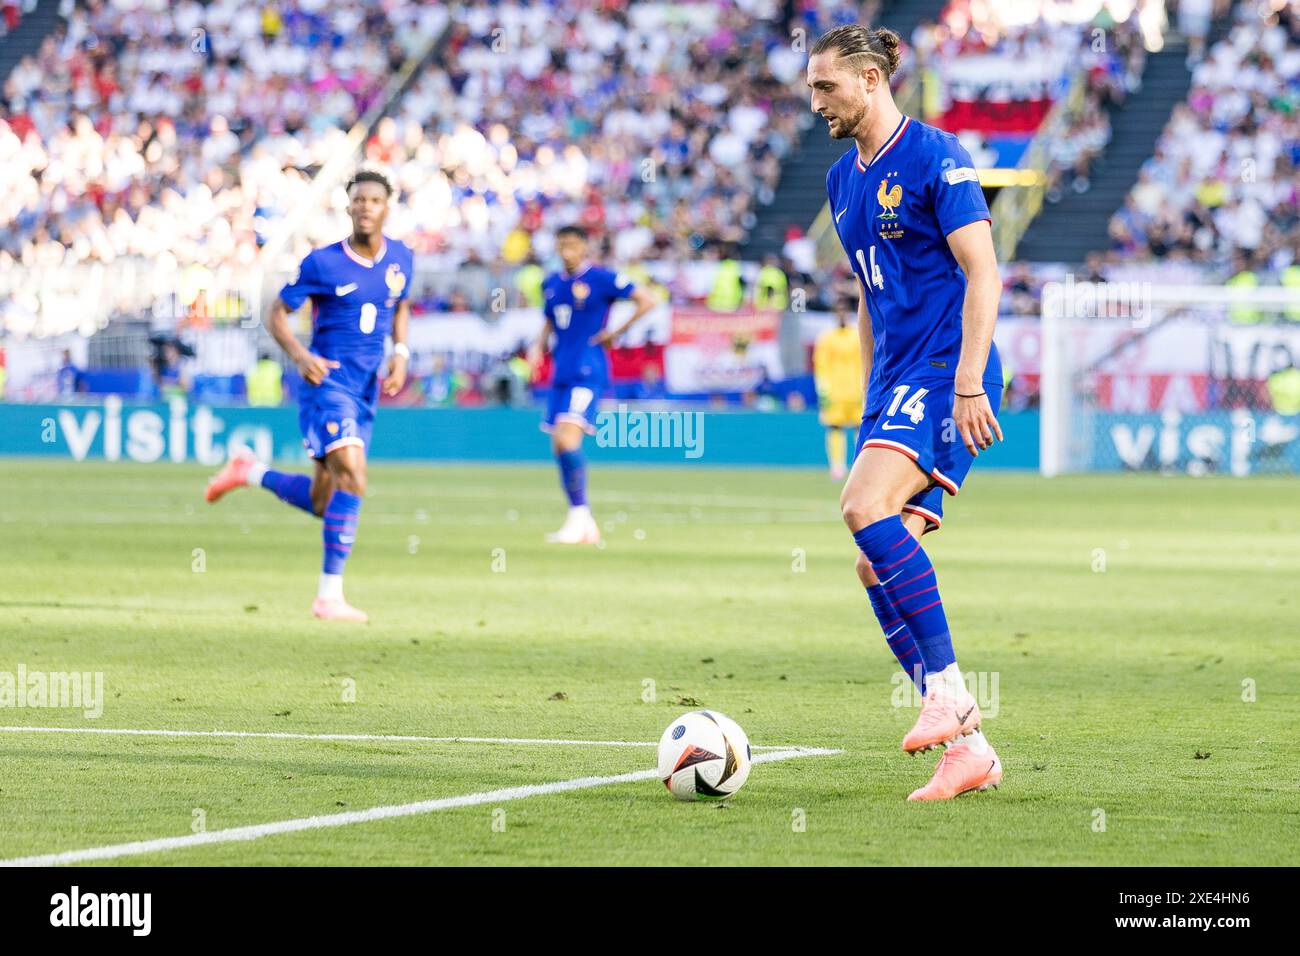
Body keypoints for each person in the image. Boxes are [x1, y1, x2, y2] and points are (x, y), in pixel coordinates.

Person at [809, 24, 1006, 800]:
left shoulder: (937, 156)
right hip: (895, 379)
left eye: (826, 86)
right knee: (872, 558)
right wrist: (866, 399)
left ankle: (949, 690)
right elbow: (867, 294)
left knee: (860, 506)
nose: (815, 100)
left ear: (868, 78)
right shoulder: (840, 179)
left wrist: (967, 381)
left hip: (945, 367)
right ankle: (973, 752)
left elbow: (984, 273)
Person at [204, 169, 412, 622]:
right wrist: (299, 355)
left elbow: (400, 304)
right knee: (354, 476)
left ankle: (249, 471)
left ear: (386, 207)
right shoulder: (323, 263)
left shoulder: (402, 259)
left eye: (374, 200)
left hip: (365, 390)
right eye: (358, 200)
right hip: (327, 385)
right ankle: (328, 596)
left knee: (325, 501)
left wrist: (400, 352)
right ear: (349, 206)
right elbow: (276, 312)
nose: (365, 207)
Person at [528, 225, 657, 544]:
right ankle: (581, 520)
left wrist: (616, 333)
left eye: (572, 245)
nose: (566, 251)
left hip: (588, 369)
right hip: (562, 371)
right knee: (558, 444)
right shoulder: (552, 283)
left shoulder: (601, 279)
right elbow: (550, 320)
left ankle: (580, 519)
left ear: (585, 247)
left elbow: (648, 299)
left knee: (568, 438)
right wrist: (537, 346)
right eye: (561, 245)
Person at [813, 302, 864, 481]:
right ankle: (837, 466)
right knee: (835, 427)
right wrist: (823, 389)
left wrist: (865, 387)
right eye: (838, 312)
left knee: (861, 427)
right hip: (835, 392)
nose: (841, 316)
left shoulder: (857, 336)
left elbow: (865, 362)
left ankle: (861, 464)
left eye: (844, 312)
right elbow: (821, 365)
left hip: (856, 391)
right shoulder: (827, 339)